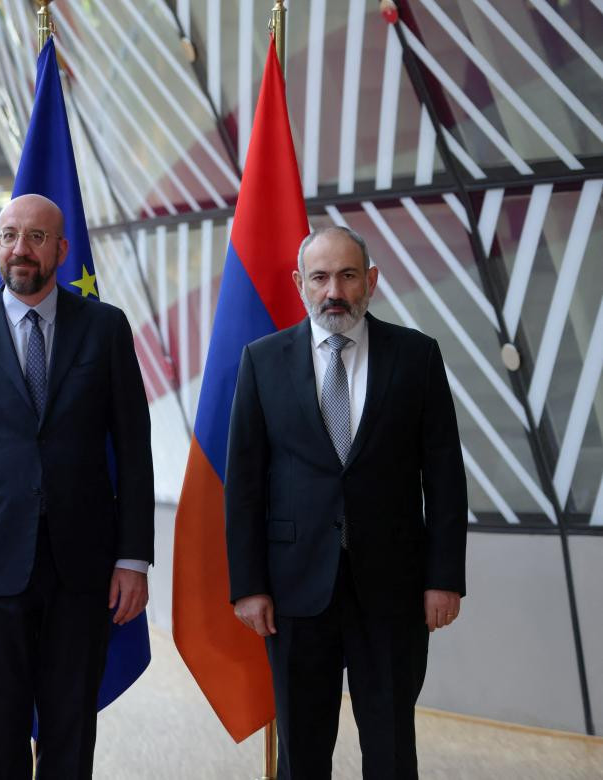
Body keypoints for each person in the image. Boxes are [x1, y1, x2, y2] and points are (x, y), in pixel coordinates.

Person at [0, 193, 154, 778]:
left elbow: (134, 450)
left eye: (36, 237)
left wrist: (133, 559)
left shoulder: (105, 327)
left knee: (71, 729)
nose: (20, 249)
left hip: (85, 565)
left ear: (61, 249)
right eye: (8, 236)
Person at [225, 225, 468, 779]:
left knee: (390, 750)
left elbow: (446, 479)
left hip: (394, 592)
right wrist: (249, 585)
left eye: (348, 275)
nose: (334, 289)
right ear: (300, 284)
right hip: (293, 593)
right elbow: (243, 484)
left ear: (371, 281)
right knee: (303, 753)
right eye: (320, 277)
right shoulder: (262, 361)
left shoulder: (417, 356)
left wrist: (444, 577)